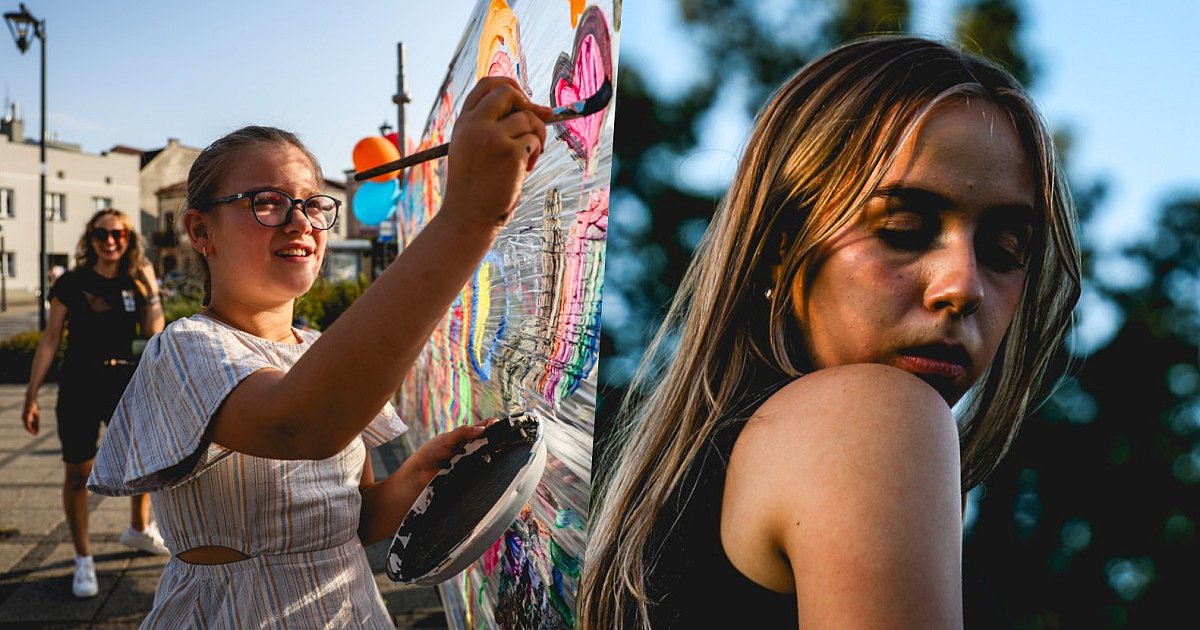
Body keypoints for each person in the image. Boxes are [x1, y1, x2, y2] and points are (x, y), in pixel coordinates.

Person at [580, 35, 1081, 629]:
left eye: (1005, 249)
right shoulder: (878, 415)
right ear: (779, 247)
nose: (964, 286)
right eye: (902, 227)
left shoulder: (669, 509)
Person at [87, 76, 548, 627]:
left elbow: (350, 520)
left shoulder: (318, 351)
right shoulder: (183, 350)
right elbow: (299, 424)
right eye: (267, 203)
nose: (301, 221)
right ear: (200, 230)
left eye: (311, 204)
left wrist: (414, 481)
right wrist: (468, 217)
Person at [22, 208, 169, 599]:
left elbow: (155, 333)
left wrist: (151, 288)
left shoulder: (136, 281)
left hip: (125, 384)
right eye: (101, 235)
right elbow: (51, 339)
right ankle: (83, 558)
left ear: (128, 239)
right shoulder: (72, 283)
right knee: (77, 473)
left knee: (143, 464)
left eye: (117, 235)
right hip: (79, 385)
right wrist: (31, 393)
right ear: (90, 239)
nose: (109, 242)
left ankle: (138, 528)